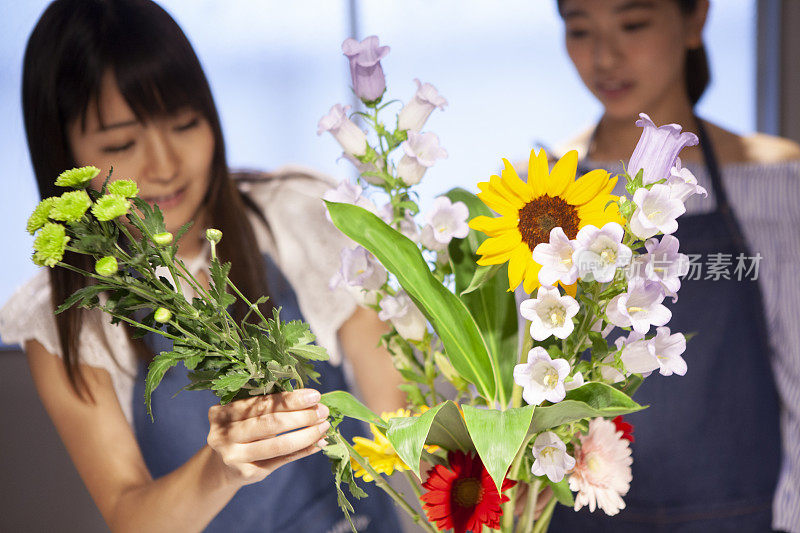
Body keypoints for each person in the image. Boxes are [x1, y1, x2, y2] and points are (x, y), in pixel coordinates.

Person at [0, 0, 406, 531]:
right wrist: (223, 465)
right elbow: (131, 516)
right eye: (121, 142)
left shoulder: (298, 213)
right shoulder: (62, 318)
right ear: (63, 155)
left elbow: (397, 410)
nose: (164, 165)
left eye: (185, 123)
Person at [549, 1, 800, 531]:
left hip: (743, 517)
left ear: (694, 19)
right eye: (579, 30)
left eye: (633, 24)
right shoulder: (550, 192)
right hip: (581, 515)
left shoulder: (777, 181)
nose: (604, 57)